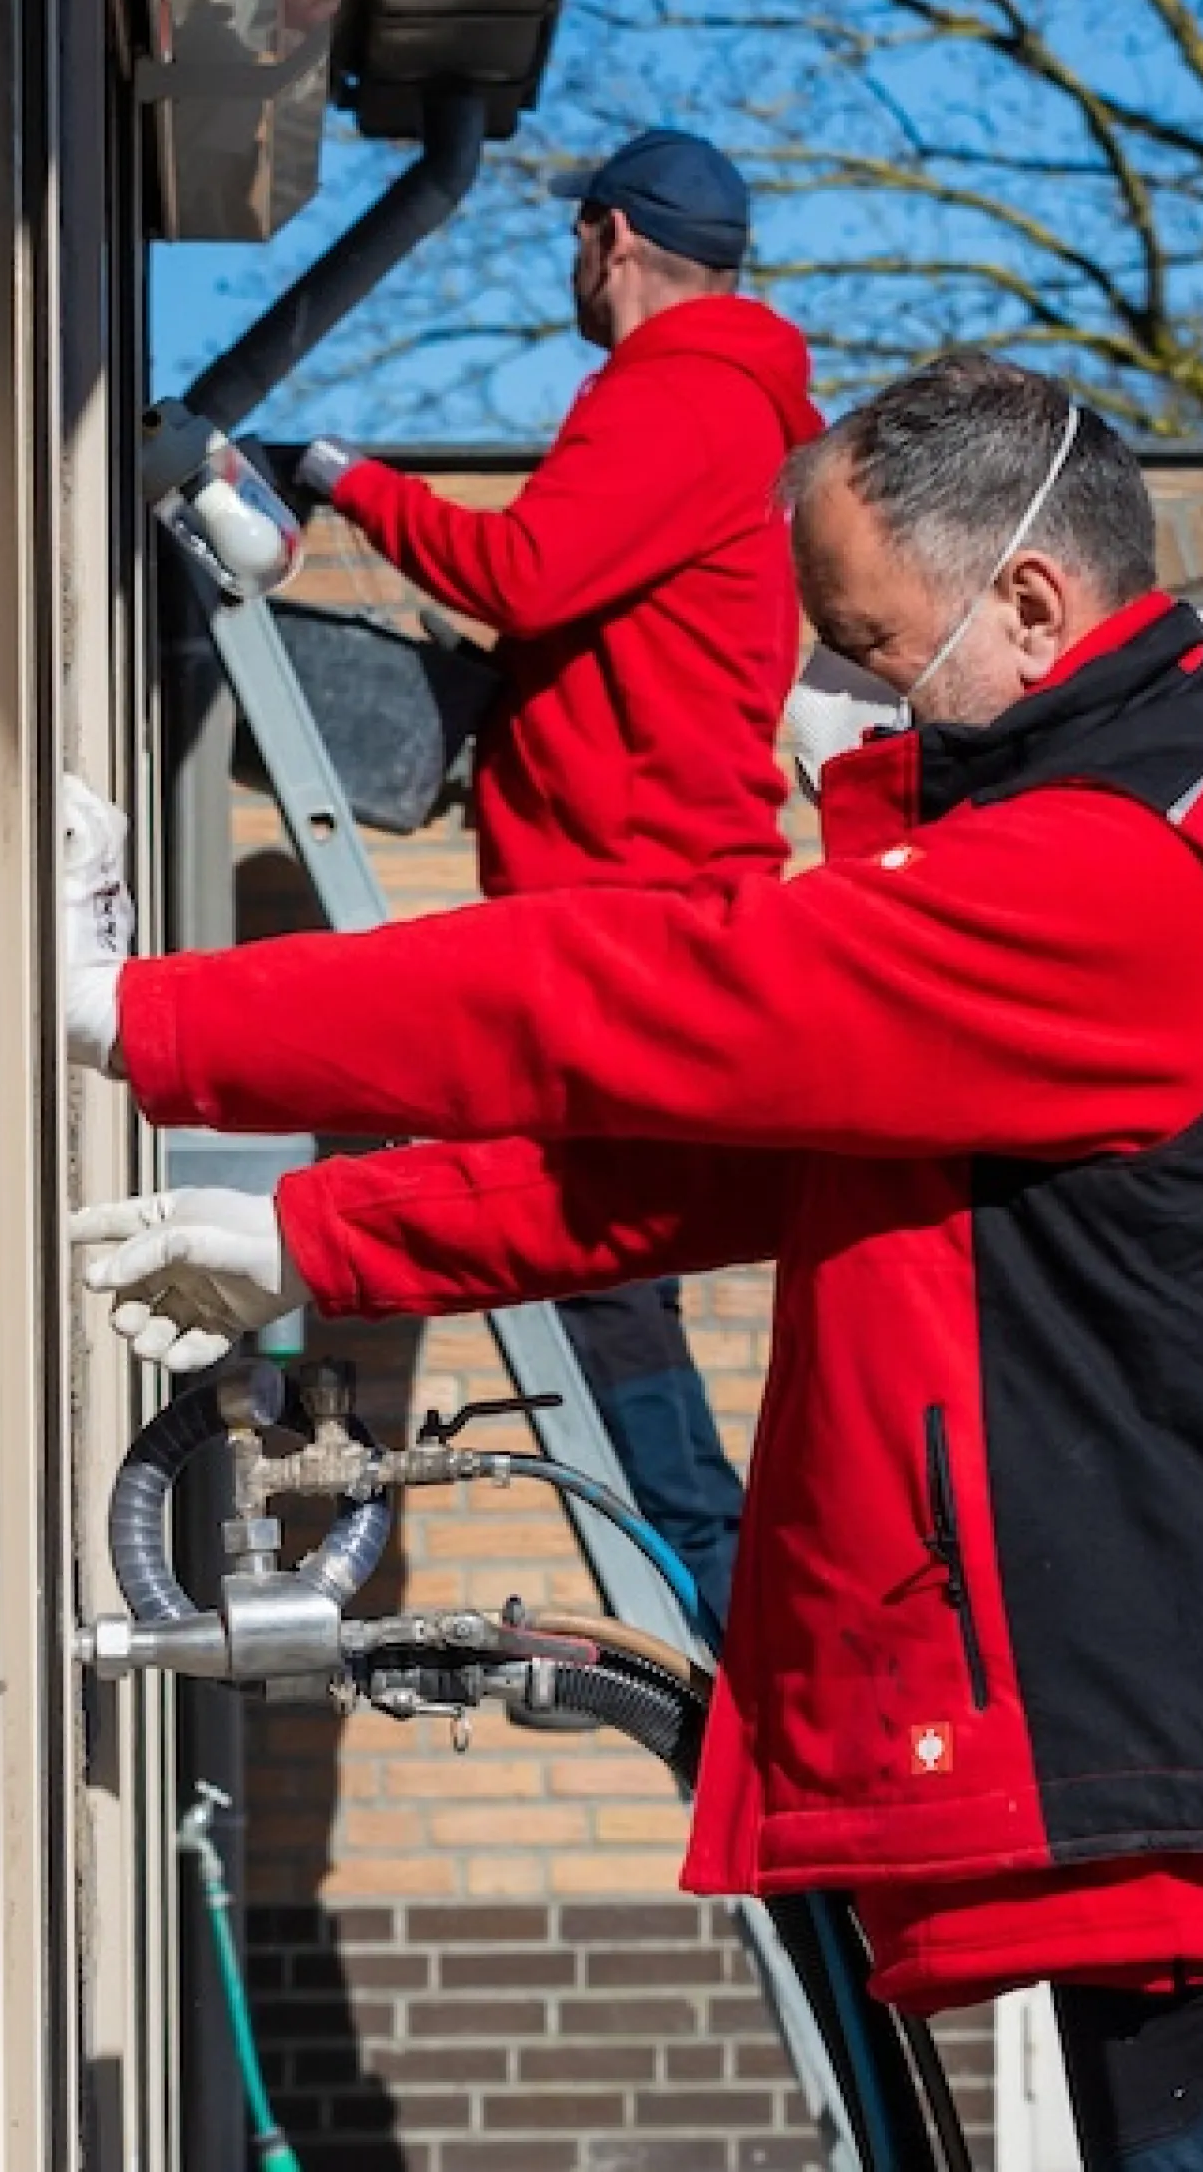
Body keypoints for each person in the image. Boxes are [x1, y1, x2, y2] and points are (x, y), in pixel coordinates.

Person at [67, 353, 1203, 2169]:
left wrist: (147, 1022)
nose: (839, 698)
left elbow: (638, 1001)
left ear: (1031, 602)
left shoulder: (1119, 887)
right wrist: (315, 1236)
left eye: (866, 645)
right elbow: (738, 1166)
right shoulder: (1144, 804)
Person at [284, 127, 821, 1624]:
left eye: (572, 250)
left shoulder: (685, 396)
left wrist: (344, 479)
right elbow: (583, 627)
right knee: (598, 1285)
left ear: (608, 239)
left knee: (591, 1282)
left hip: (626, 914)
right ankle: (729, 1624)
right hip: (642, 897)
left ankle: (725, 1642)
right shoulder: (740, 407)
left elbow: (524, 573)